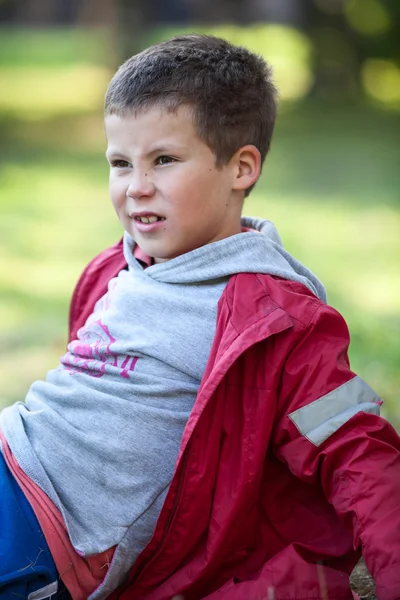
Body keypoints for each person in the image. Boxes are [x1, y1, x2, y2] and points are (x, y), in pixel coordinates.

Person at [1, 34, 399, 600]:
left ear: (240, 167)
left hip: (49, 529)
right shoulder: (117, 267)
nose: (136, 187)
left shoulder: (277, 319)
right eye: (120, 163)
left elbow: (358, 452)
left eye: (163, 160)